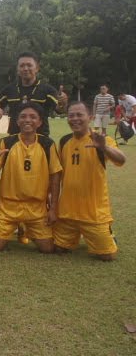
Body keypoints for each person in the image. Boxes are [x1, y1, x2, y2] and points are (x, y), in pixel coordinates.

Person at [54, 101, 126, 261]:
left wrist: (104, 148)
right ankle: (78, 233)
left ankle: (107, 232)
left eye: (79, 115)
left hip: (93, 212)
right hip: (68, 212)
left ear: (90, 117)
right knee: (58, 248)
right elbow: (58, 173)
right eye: (71, 115)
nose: (75, 119)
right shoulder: (64, 141)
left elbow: (121, 160)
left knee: (107, 256)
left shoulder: (101, 139)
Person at [0, 104, 62, 253]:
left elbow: (55, 176)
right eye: (23, 116)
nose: (27, 120)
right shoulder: (7, 142)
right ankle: (19, 225)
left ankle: (25, 226)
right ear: (17, 121)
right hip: (8, 206)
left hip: (36, 207)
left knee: (47, 249)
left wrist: (53, 208)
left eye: (33, 117)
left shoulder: (47, 144)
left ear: (40, 122)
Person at [0, 51, 58, 136]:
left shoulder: (47, 90)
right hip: (14, 139)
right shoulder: (9, 89)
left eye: (29, 65)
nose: (25, 68)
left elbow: (60, 109)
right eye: (22, 66)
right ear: (17, 69)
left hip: (40, 139)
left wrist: (62, 104)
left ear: (37, 68)